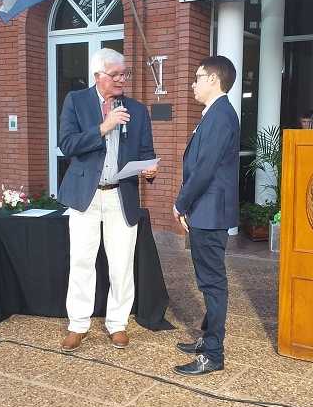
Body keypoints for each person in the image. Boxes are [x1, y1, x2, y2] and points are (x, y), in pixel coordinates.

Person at [57, 48, 157, 352]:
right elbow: (66, 144)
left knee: (121, 263)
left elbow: (145, 152)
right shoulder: (76, 101)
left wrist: (149, 171)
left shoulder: (137, 110)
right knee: (82, 261)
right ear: (98, 76)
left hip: (121, 194)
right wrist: (104, 127)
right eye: (115, 75)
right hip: (86, 195)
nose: (121, 79)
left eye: (124, 74)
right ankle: (78, 324)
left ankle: (117, 323)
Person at [172, 56, 240, 376]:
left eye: (198, 77)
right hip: (206, 211)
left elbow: (204, 169)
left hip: (209, 214)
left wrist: (181, 203)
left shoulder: (221, 115)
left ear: (214, 80)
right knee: (208, 281)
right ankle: (206, 339)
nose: (193, 83)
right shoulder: (216, 114)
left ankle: (213, 354)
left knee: (213, 284)